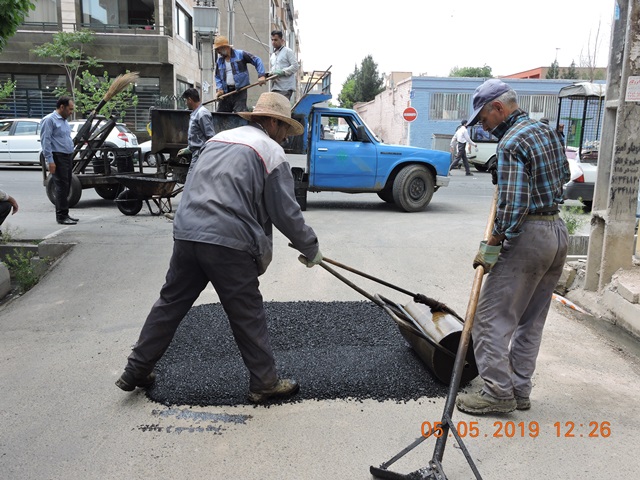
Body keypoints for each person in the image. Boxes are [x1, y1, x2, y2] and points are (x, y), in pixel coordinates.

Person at [116, 92, 322, 404]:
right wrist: (311, 247)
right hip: (228, 242)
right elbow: (285, 212)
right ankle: (265, 382)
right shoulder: (270, 152)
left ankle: (135, 371)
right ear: (271, 122)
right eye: (282, 128)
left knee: (169, 304)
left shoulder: (219, 140)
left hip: (187, 233)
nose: (283, 136)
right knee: (247, 313)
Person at [456, 79, 570, 415]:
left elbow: (514, 206)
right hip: (556, 232)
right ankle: (519, 389)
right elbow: (562, 174)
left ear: (499, 108)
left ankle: (497, 393)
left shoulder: (510, 143)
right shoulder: (544, 130)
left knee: (489, 318)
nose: (485, 127)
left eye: (485, 119)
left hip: (529, 237)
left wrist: (492, 244)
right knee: (531, 321)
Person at [40, 96, 77, 225]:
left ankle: (65, 213)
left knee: (66, 185)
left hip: (67, 156)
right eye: (70, 109)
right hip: (57, 156)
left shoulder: (64, 121)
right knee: (61, 186)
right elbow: (46, 141)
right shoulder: (49, 120)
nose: (71, 112)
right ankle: (61, 216)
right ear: (62, 107)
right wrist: (50, 160)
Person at [213, 36, 266, 113]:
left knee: (240, 113)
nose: (218, 52)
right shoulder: (219, 61)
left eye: (218, 49)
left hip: (240, 90)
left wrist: (261, 75)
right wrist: (220, 89)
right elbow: (217, 76)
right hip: (226, 91)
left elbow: (257, 60)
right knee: (221, 114)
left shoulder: (240, 54)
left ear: (225, 47)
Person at [179, 88, 215, 170]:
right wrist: (189, 148)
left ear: (190, 100)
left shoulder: (202, 114)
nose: (185, 103)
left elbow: (210, 136)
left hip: (201, 154)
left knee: (191, 179)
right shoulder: (196, 113)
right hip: (196, 153)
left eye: (186, 100)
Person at [269, 30, 299, 100]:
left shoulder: (288, 51)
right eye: (272, 40)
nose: (273, 42)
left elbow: (295, 66)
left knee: (281, 109)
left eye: (276, 40)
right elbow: (274, 70)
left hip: (285, 88)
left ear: (282, 40)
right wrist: (269, 74)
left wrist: (283, 72)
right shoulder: (273, 55)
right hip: (275, 87)